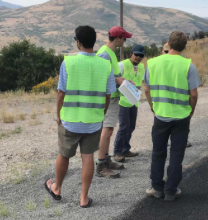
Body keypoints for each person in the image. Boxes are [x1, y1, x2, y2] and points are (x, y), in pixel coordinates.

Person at [44, 26, 115, 207]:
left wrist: (59, 115)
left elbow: (61, 93)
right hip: (93, 121)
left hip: (70, 120)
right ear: (94, 42)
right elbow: (108, 96)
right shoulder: (105, 64)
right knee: (87, 157)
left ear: (78, 42)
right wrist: (101, 113)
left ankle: (57, 188)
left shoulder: (68, 62)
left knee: (64, 155)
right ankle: (84, 198)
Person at [144, 31, 200, 202]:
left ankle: (157, 188)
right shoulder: (188, 66)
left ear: (168, 43)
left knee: (158, 153)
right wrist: (190, 111)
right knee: (177, 154)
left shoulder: (152, 63)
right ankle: (171, 190)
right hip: (181, 117)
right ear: (185, 46)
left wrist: (153, 107)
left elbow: (146, 89)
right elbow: (194, 94)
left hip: (160, 115)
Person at [96, 26, 132, 177]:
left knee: (109, 131)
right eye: (124, 38)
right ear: (117, 38)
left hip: (112, 95)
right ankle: (101, 165)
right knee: (107, 130)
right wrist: (118, 80)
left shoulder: (109, 52)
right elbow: (100, 77)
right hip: (108, 97)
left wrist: (122, 80)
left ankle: (106, 158)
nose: (125, 41)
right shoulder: (105, 54)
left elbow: (112, 74)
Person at [113, 44, 145, 162]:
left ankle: (125, 149)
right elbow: (113, 78)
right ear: (131, 53)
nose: (138, 57)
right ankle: (117, 152)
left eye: (141, 55)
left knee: (131, 126)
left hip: (133, 101)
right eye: (136, 54)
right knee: (124, 127)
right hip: (122, 101)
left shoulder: (142, 67)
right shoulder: (122, 65)